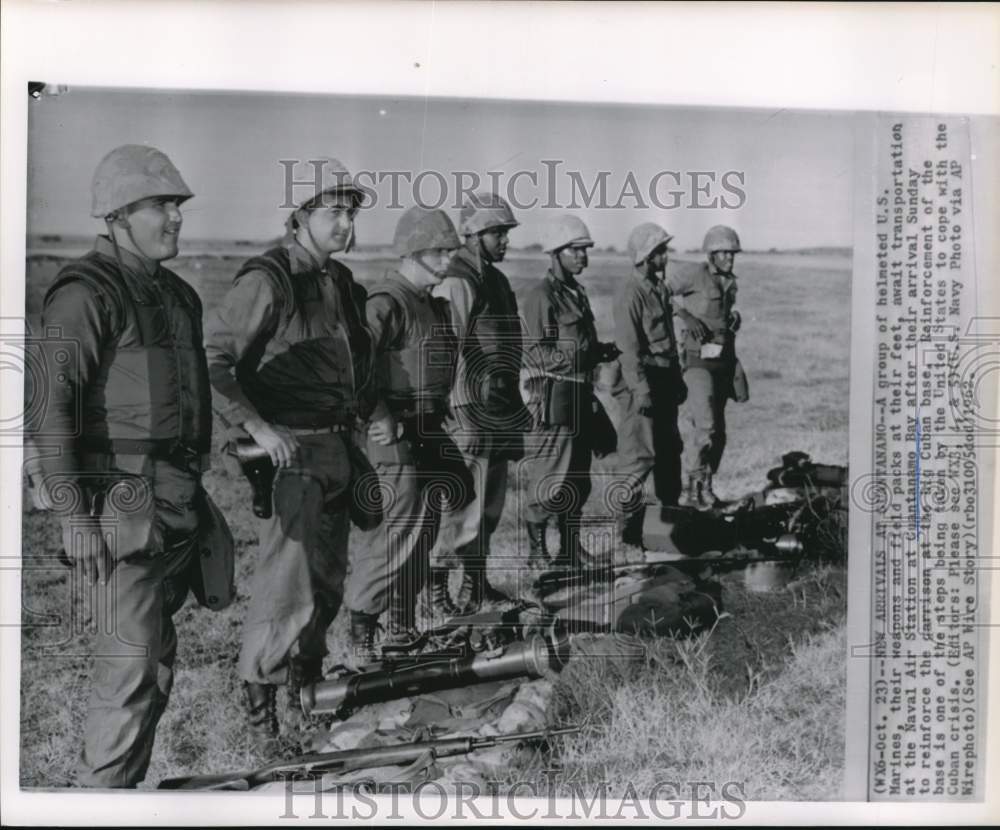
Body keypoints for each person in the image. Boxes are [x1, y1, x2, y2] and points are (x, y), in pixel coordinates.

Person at [26, 144, 234, 787]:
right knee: (130, 665)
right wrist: (72, 516)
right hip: (117, 508)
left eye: (177, 205)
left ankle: (123, 794)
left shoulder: (177, 294)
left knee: (156, 661)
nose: (175, 217)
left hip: (176, 503)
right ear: (117, 214)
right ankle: (100, 800)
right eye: (159, 205)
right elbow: (49, 405)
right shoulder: (86, 293)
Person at [203, 157, 371, 753]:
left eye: (352, 212)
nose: (346, 223)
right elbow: (214, 361)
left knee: (326, 581)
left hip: (335, 445)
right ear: (300, 217)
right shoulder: (268, 279)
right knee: (285, 584)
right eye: (333, 212)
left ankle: (307, 692)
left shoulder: (340, 283)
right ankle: (261, 717)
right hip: (289, 452)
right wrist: (257, 426)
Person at [344, 207, 468, 658]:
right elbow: (352, 368)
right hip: (394, 437)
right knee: (394, 535)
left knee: (424, 531)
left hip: (427, 429)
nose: (448, 258)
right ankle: (362, 635)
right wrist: (378, 414)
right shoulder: (386, 303)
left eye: (451, 250)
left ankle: (402, 624)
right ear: (414, 251)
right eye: (440, 250)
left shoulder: (431, 304)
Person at [431, 192, 531, 612]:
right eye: (497, 233)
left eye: (506, 233)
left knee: (489, 508)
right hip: (470, 412)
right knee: (460, 510)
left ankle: (476, 587)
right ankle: (436, 592)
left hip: (499, 410)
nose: (505, 241)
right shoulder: (458, 279)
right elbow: (447, 349)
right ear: (472, 234)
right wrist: (458, 411)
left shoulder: (497, 280)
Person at [520, 215, 619, 569]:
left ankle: (570, 550)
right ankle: (536, 553)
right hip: (555, 394)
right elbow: (534, 351)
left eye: (585, 250)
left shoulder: (576, 293)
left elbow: (580, 343)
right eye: (575, 250)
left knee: (579, 477)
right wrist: (580, 355)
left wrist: (599, 351)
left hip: (580, 392)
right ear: (556, 253)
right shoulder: (541, 296)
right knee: (551, 478)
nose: (583, 257)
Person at [613, 222, 686, 547]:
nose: (665, 256)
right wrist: (641, 390)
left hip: (665, 380)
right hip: (644, 383)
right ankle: (627, 534)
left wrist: (677, 379)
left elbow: (668, 341)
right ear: (646, 256)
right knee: (639, 457)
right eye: (660, 251)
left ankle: (668, 525)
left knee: (670, 454)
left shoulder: (658, 288)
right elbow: (629, 349)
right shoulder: (631, 292)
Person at [669, 224, 749, 509]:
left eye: (732, 253)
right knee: (705, 426)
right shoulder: (694, 275)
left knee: (719, 434)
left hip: (723, 361)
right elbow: (658, 294)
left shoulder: (731, 282)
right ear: (711, 255)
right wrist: (685, 317)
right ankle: (690, 489)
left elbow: (721, 314)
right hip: (696, 361)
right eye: (723, 253)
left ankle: (706, 486)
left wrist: (733, 317)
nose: (729, 258)